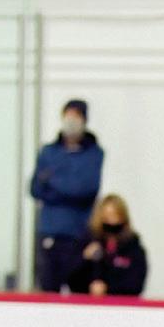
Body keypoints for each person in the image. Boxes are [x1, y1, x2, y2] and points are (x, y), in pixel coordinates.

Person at [30, 98, 104, 292]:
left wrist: (52, 181)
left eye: (76, 116)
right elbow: (36, 188)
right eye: (67, 116)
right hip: (49, 233)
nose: (71, 121)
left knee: (78, 290)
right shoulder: (48, 152)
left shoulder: (94, 153)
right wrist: (67, 185)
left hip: (77, 235)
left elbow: (85, 189)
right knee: (47, 291)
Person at [64, 194, 147, 297]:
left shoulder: (133, 247)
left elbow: (136, 283)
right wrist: (84, 257)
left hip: (120, 303)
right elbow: (69, 276)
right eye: (106, 217)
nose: (111, 221)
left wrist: (107, 288)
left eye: (114, 216)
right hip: (86, 301)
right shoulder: (87, 242)